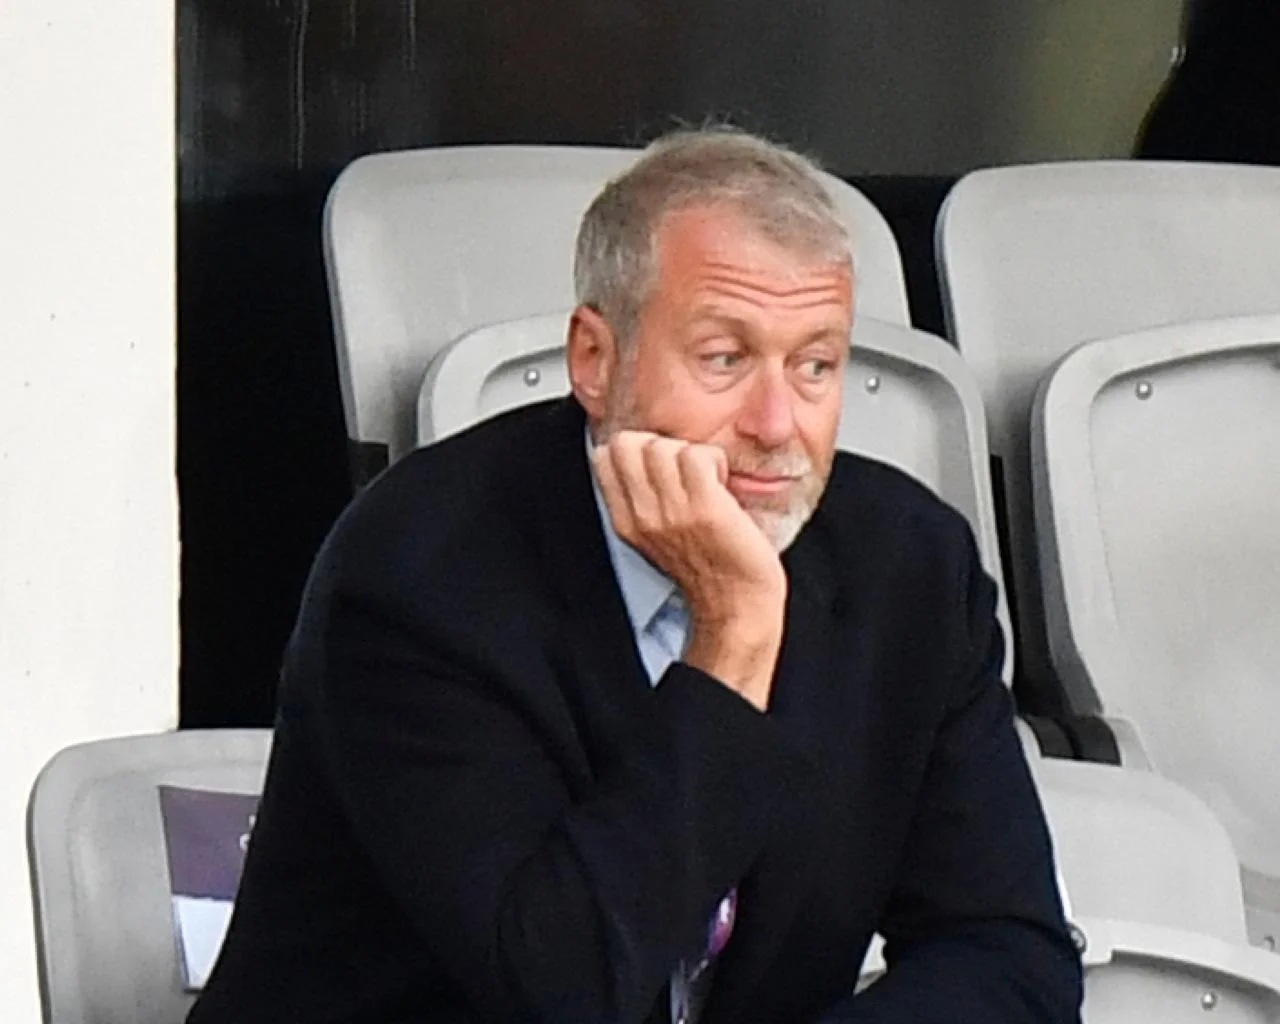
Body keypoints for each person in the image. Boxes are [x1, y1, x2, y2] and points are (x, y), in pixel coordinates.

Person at [188, 128, 1083, 1024]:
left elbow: (1009, 956)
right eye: (725, 359)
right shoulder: (420, 574)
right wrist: (734, 639)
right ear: (595, 359)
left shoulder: (910, 568)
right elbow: (559, 990)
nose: (778, 424)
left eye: (815, 365)